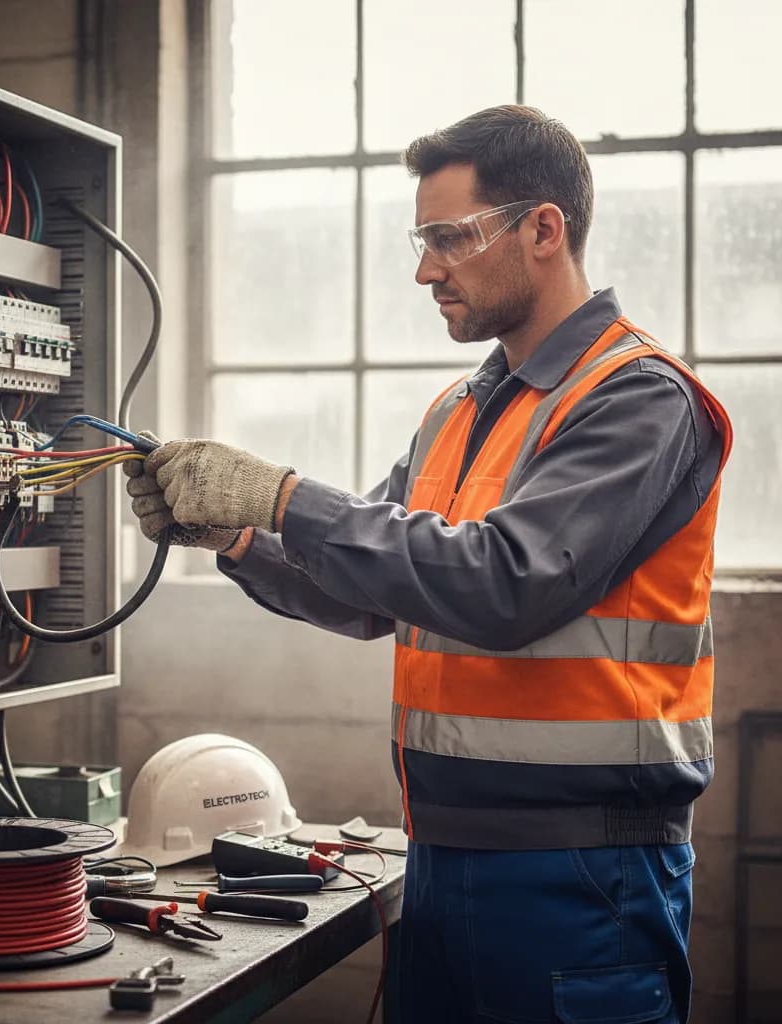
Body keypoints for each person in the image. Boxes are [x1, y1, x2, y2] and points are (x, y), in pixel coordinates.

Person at [124, 105, 732, 1023]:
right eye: (423, 238)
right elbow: (371, 588)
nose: (426, 267)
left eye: (451, 237)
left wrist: (279, 494)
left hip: (582, 877)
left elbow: (504, 583)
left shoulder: (638, 400)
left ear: (543, 229)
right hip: (438, 859)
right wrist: (237, 537)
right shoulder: (458, 408)